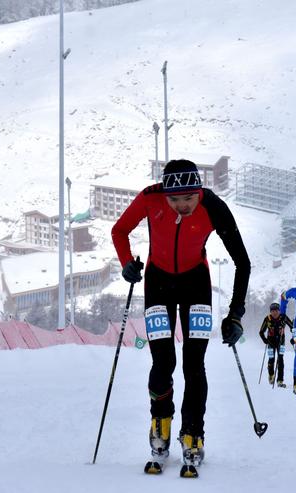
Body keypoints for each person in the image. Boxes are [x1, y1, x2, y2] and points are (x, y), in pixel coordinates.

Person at [111, 159, 251, 470]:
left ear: (198, 191)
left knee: (193, 363)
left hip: (196, 285)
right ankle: (160, 424)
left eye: (188, 199)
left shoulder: (213, 205)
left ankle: (193, 434)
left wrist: (236, 313)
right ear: (165, 194)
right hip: (157, 283)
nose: (181, 206)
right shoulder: (150, 197)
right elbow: (119, 230)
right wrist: (126, 264)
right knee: (162, 363)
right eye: (174, 200)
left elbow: (243, 262)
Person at [259, 302, 293, 388]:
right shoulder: (267, 319)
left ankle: (280, 380)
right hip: (271, 341)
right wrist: (265, 340)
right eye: (273, 311)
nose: (275, 313)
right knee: (271, 359)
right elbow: (261, 332)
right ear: (270, 312)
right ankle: (271, 375)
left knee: (280, 359)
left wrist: (294, 334)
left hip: (281, 341)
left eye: (276, 310)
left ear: (279, 311)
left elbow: (292, 326)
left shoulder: (283, 317)